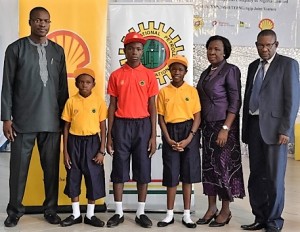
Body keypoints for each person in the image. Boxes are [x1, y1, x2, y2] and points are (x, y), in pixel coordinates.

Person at [1, 7, 68, 227]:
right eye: (38, 20)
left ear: (50, 23)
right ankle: (14, 211)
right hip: (22, 121)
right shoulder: (15, 49)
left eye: (46, 21)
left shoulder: (58, 51)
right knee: (18, 170)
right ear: (30, 22)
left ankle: (50, 209)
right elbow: (7, 85)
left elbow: (62, 89)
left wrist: (64, 119)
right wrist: (6, 118)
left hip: (51, 121)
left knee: (51, 169)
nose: (42, 24)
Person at [241, 29, 300, 232]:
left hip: (276, 131)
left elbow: (292, 101)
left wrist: (286, 129)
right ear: (256, 45)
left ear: (276, 44)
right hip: (254, 127)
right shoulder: (252, 67)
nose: (264, 49)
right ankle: (260, 217)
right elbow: (249, 97)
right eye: (261, 45)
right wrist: (245, 129)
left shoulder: (288, 64)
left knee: (274, 178)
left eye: (268, 45)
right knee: (256, 176)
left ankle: (274, 221)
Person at [106, 31, 159, 228]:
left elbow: (152, 106)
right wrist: (109, 135)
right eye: (131, 48)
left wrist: (153, 135)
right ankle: (118, 212)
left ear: (142, 51)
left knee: (143, 168)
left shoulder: (149, 75)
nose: (134, 52)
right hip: (121, 125)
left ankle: (140, 212)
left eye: (138, 49)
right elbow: (112, 105)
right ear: (125, 50)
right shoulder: (116, 75)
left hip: (142, 125)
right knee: (119, 167)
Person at [196, 35, 245, 227]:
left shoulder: (231, 70)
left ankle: (225, 210)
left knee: (223, 168)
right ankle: (211, 208)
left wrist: (225, 128)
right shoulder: (206, 72)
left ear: (225, 52)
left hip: (224, 127)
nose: (212, 52)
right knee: (209, 168)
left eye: (216, 49)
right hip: (207, 127)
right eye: (209, 49)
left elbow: (235, 101)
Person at [156, 55, 201, 229]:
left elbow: (197, 117)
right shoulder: (164, 92)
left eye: (180, 70)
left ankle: (187, 214)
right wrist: (167, 138)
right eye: (173, 69)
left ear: (185, 72)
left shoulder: (192, 91)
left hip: (188, 131)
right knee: (171, 174)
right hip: (171, 132)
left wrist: (189, 138)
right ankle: (169, 214)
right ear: (169, 71)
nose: (176, 72)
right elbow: (160, 118)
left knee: (188, 175)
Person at [60, 68, 107, 227]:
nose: (84, 85)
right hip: (74, 142)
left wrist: (101, 150)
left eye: (88, 82)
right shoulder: (71, 101)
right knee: (73, 175)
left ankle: (90, 215)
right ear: (76, 83)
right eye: (81, 82)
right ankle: (75, 214)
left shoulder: (99, 101)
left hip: (93, 142)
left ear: (93, 84)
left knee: (93, 176)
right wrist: (65, 151)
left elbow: (103, 127)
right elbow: (65, 127)